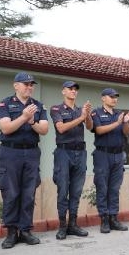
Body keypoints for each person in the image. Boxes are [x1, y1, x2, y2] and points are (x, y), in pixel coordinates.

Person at [0, 72, 49, 249]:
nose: (29, 87)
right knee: (11, 192)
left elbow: (44, 130)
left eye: (31, 84)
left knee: (29, 193)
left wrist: (33, 121)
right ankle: (11, 232)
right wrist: (24, 117)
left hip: (32, 153)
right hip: (10, 153)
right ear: (16, 86)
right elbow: (5, 128)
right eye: (25, 84)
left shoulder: (38, 106)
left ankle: (25, 230)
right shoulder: (5, 104)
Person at [50, 80, 92, 240]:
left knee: (76, 191)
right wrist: (81, 117)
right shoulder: (57, 109)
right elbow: (61, 128)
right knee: (63, 191)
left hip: (80, 153)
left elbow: (89, 126)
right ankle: (62, 226)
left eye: (75, 89)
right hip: (63, 153)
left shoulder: (81, 110)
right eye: (70, 89)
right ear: (63, 91)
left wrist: (86, 115)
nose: (73, 91)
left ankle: (73, 224)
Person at [91, 88, 129, 233]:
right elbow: (99, 130)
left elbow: (126, 133)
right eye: (111, 96)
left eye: (116, 97)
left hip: (118, 155)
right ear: (103, 98)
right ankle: (104, 220)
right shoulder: (96, 113)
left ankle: (114, 218)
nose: (114, 99)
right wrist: (117, 123)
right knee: (102, 187)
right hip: (103, 154)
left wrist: (125, 123)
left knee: (114, 188)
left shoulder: (119, 114)